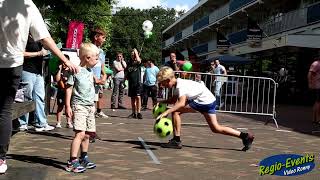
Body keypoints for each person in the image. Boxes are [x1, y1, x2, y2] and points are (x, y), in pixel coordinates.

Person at [0, 0, 77, 174]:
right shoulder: (27, 5)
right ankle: (0, 158)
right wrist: (64, 59)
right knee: (4, 111)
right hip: (12, 64)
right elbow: (44, 37)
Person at [156, 67, 254, 150]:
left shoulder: (181, 86)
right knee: (216, 128)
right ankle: (245, 136)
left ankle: (176, 141)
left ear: (168, 80)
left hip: (203, 102)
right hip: (209, 100)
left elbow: (181, 104)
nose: (161, 85)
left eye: (162, 83)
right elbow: (174, 100)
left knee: (176, 111)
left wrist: (166, 112)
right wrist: (161, 102)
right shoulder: (179, 84)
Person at [65, 43, 98, 173]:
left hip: (90, 106)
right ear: (87, 57)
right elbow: (69, 88)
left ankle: (84, 157)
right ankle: (72, 161)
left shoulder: (90, 72)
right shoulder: (76, 71)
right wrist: (68, 106)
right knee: (80, 133)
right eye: (95, 57)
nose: (97, 60)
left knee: (88, 135)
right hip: (79, 106)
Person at [18, 35, 55, 132]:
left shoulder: (40, 39)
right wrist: (38, 53)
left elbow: (49, 47)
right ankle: (22, 123)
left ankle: (41, 123)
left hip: (38, 72)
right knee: (26, 97)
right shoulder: (25, 37)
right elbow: (20, 53)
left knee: (39, 97)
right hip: (27, 70)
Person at [90, 28, 108, 118]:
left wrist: (104, 75)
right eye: (103, 37)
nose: (104, 40)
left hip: (97, 81)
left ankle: (90, 124)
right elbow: (86, 66)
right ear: (96, 37)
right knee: (89, 103)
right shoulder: (89, 49)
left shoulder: (101, 51)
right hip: (90, 80)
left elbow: (102, 65)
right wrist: (94, 78)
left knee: (94, 100)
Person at [54, 55, 73, 128]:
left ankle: (69, 122)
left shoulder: (70, 70)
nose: (64, 64)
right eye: (62, 62)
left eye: (65, 62)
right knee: (60, 106)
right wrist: (59, 69)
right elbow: (57, 79)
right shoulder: (60, 70)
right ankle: (58, 122)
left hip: (68, 91)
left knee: (69, 106)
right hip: (61, 91)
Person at [126, 48, 143, 119]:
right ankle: (133, 113)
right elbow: (127, 71)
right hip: (131, 82)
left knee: (138, 97)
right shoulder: (129, 62)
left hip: (137, 82)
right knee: (132, 98)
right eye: (132, 54)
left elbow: (139, 60)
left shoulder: (138, 61)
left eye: (134, 54)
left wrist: (136, 52)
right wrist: (124, 79)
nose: (132, 55)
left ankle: (139, 112)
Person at [308, 57, 320, 126]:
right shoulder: (316, 63)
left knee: (317, 102)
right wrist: (310, 83)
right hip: (318, 86)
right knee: (318, 102)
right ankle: (317, 119)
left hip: (317, 85)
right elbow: (310, 74)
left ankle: (315, 119)